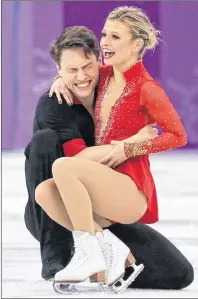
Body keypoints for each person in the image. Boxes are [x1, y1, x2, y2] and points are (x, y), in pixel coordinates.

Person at [24, 24, 193, 291]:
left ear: (98, 61)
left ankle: (108, 254)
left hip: (104, 205)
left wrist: (140, 142)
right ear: (58, 71)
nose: (81, 76)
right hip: (56, 212)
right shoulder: (54, 102)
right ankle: (58, 254)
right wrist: (131, 143)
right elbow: (78, 159)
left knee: (178, 273)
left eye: (86, 67)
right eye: (70, 70)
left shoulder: (116, 85)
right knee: (48, 160)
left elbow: (170, 131)